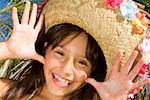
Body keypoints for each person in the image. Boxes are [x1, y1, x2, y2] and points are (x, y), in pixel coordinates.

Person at [0, 0, 149, 100]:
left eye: (82, 62)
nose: (66, 69)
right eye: (60, 53)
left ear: (93, 71)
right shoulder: (10, 91)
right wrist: (7, 50)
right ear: (46, 49)